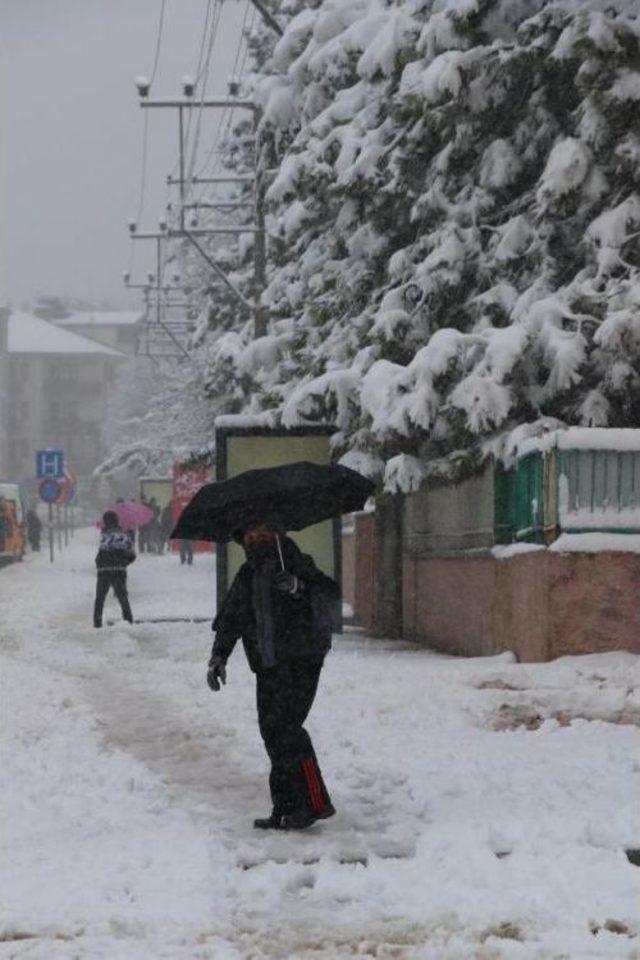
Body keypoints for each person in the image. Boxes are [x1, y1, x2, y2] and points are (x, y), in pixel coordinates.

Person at [207, 523, 338, 831]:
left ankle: (315, 803)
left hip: (302, 661)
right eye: (249, 537)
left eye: (261, 534)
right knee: (272, 734)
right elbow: (231, 618)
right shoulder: (247, 575)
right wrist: (218, 656)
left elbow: (328, 593)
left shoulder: (297, 563)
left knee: (288, 730)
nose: (255, 541)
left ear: (276, 535)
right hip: (268, 665)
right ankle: (284, 807)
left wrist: (298, 588)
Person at [94, 510, 135, 628]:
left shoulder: (104, 535)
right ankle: (128, 621)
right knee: (123, 598)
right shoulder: (123, 535)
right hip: (118, 571)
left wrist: (100, 563)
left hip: (103, 571)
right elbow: (132, 555)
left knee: (100, 599)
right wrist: (123, 563)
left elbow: (101, 553)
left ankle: (97, 624)